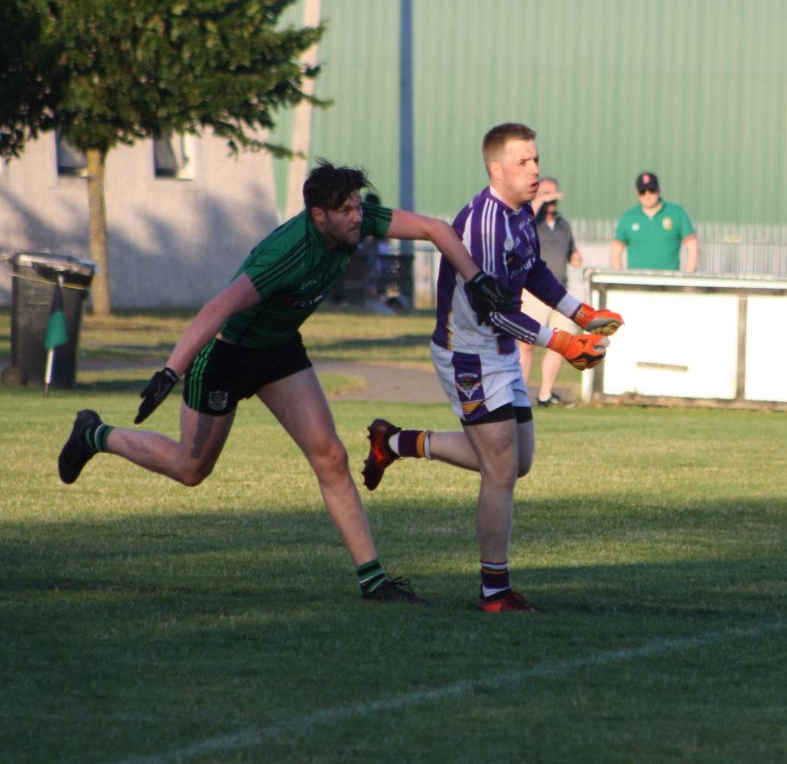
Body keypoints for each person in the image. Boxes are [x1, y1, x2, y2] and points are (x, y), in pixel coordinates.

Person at [56, 160, 517, 605]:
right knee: (190, 469)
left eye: (358, 206)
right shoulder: (286, 253)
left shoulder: (359, 221)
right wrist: (169, 371)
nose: (358, 216)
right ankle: (95, 434)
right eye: (346, 211)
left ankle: (374, 582)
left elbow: (437, 229)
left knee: (331, 456)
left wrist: (474, 278)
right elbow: (217, 309)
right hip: (225, 355)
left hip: (277, 349)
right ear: (319, 216)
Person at [360, 123, 623, 613]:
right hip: (470, 354)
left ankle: (394, 442)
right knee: (500, 471)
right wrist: (562, 342)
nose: (536, 170)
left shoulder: (523, 212)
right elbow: (494, 309)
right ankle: (494, 591)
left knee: (516, 461)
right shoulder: (484, 223)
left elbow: (535, 272)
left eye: (536, 160)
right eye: (524, 162)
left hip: (498, 349)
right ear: (495, 169)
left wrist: (580, 313)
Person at [518, 176, 583, 407]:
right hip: (533, 292)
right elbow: (523, 221)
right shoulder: (531, 221)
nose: (551, 200)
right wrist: (539, 201)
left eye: (554, 194)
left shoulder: (563, 224)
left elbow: (571, 253)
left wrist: (575, 257)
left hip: (559, 292)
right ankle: (519, 396)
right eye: (546, 194)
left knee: (560, 341)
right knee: (526, 343)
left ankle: (546, 394)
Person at [610, 171, 698, 272]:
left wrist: (686, 279)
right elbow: (615, 252)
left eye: (651, 190)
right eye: (643, 192)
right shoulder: (628, 217)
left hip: (668, 284)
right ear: (637, 192)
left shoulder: (677, 214)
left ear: (659, 190)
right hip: (636, 284)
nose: (648, 196)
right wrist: (620, 282)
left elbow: (692, 247)